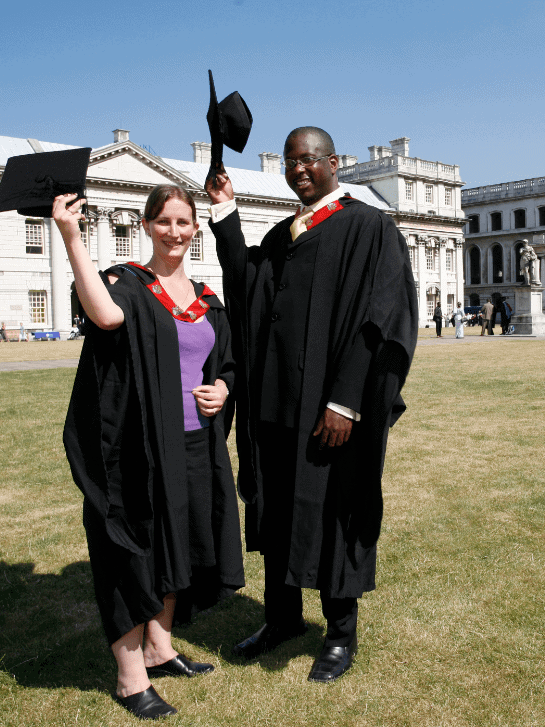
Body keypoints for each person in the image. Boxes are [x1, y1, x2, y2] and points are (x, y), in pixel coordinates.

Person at [205, 126, 417, 684]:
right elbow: (247, 287)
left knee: (331, 511)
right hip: (275, 404)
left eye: (309, 160)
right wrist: (225, 212)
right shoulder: (282, 235)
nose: (299, 169)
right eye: (291, 162)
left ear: (334, 163)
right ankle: (282, 620)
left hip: (328, 409)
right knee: (275, 507)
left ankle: (340, 634)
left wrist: (346, 403)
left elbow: (381, 320)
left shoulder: (368, 228)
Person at [53, 185, 244, 720]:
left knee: (174, 543)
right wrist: (71, 234)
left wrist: (224, 388)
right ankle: (129, 676)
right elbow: (105, 318)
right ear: (147, 225)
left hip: (193, 443)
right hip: (137, 447)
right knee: (131, 552)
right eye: (164, 222)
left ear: (195, 229)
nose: (175, 232)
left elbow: (227, 362)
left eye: (184, 222)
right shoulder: (128, 283)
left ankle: (160, 648)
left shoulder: (206, 298)